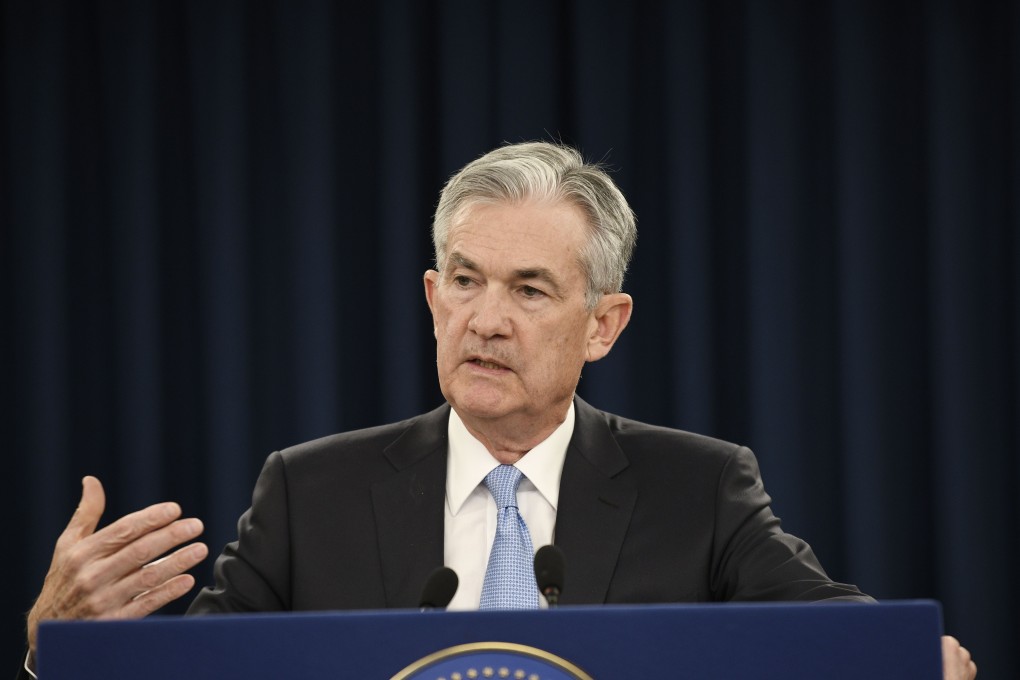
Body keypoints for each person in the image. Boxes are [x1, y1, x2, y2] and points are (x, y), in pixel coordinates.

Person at [19, 142, 977, 679]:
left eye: (528, 290)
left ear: (604, 324)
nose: (486, 320)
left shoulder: (701, 489)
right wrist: (52, 649)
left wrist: (912, 662)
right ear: (432, 297)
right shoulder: (310, 492)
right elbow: (199, 677)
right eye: (466, 282)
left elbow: (832, 638)